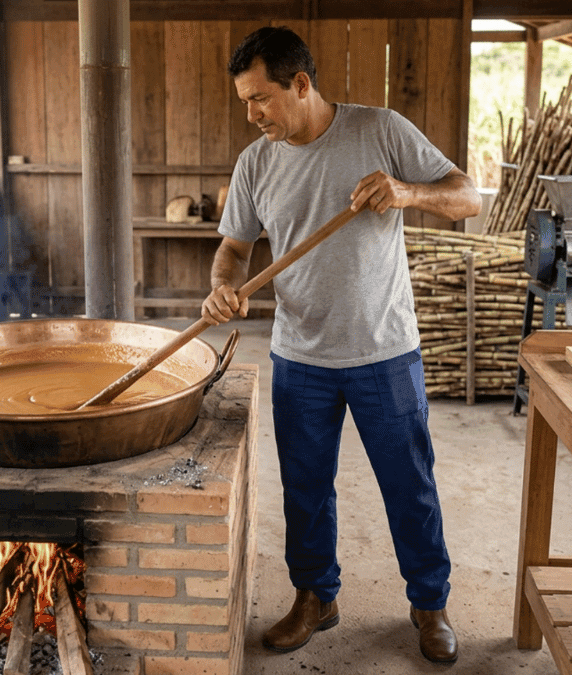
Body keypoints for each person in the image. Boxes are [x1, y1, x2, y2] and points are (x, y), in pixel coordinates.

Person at [200, 26, 481, 664]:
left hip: (385, 353)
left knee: (410, 486)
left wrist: (407, 193)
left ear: (301, 84)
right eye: (244, 101)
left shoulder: (379, 129)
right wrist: (223, 287)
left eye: (261, 98)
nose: (252, 114)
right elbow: (233, 251)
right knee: (305, 489)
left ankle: (430, 605)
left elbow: (469, 196)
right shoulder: (256, 163)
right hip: (299, 357)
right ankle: (315, 598)